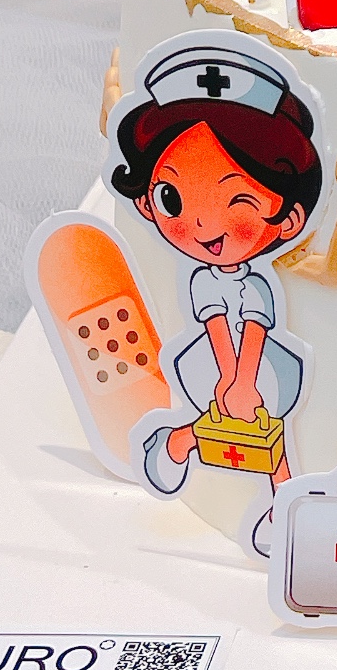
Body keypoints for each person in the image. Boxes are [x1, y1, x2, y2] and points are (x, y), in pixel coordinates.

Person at [113, 35, 324, 556]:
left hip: (259, 365)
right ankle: (175, 444)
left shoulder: (257, 284)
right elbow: (214, 327)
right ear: (147, 203)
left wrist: (244, 381)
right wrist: (229, 380)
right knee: (225, 423)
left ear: (289, 217)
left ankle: (282, 503)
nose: (205, 225)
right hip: (214, 359)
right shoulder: (202, 280)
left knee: (265, 429)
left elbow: (253, 328)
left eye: (238, 200)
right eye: (173, 197)